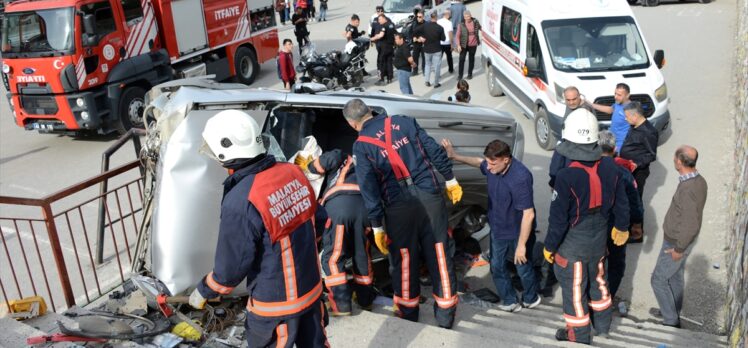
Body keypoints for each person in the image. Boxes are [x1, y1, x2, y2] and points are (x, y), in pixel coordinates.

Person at [189, 110, 328, 347]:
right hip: (312, 292)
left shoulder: (242, 200)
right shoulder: (293, 172)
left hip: (276, 308)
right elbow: (320, 222)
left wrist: (204, 290)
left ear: (226, 150)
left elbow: (230, 269)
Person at [343, 99, 463, 329]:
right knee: (440, 251)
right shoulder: (403, 122)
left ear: (353, 124)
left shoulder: (361, 146)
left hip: (398, 207)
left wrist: (377, 225)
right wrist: (450, 178)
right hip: (430, 196)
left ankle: (409, 314)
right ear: (371, 111)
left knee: (405, 258)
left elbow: (369, 189)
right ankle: (446, 316)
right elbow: (433, 150)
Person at [543, 108, 630, 345]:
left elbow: (558, 220)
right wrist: (622, 226)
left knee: (574, 293)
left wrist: (550, 246)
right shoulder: (612, 167)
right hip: (599, 242)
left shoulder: (565, 176)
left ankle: (579, 337)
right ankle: (602, 327)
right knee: (599, 283)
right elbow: (622, 203)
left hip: (573, 248)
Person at [441, 138, 541, 313]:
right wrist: (455, 156)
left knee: (523, 267)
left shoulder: (521, 177)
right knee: (497, 266)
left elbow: (528, 214)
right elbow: (479, 162)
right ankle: (510, 300)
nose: (488, 167)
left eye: (492, 163)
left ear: (506, 159)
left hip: (518, 231)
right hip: (498, 227)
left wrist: (521, 246)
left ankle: (531, 298)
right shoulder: (491, 167)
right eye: (488, 162)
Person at [297, 149, 376, 316]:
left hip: (339, 209)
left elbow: (324, 162)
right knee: (362, 255)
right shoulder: (372, 165)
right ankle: (365, 300)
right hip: (365, 212)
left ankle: (341, 306)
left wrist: (309, 166)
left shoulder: (343, 156)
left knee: (334, 257)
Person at [650, 145, 707, 329]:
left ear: (680, 162)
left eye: (675, 158)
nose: (674, 160)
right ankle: (672, 310)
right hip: (679, 239)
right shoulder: (698, 180)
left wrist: (679, 249)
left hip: (676, 242)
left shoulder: (688, 188)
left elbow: (691, 223)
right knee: (675, 277)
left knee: (658, 280)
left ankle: (670, 320)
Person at [598, 131, 643, 298]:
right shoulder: (623, 173)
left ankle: (594, 296)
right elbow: (634, 201)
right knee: (616, 263)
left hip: (594, 226)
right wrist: (637, 222)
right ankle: (608, 295)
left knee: (595, 261)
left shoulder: (588, 169)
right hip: (618, 226)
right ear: (614, 149)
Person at [619, 101, 658, 243]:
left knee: (635, 200)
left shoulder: (649, 132)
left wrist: (637, 163)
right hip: (627, 169)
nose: (625, 119)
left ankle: (637, 232)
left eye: (627, 116)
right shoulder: (634, 126)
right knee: (628, 199)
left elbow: (651, 154)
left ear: (635, 115)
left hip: (638, 172)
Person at [590, 83, 631, 152]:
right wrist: (591, 105)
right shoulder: (618, 103)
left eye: (619, 95)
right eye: (615, 94)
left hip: (621, 145)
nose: (615, 97)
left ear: (627, 95)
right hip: (612, 141)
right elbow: (611, 110)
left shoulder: (631, 109)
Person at [415, 12, 445, 88]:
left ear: (430, 17)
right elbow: (443, 39)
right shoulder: (440, 28)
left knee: (427, 65)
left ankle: (427, 81)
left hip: (427, 49)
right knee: (436, 67)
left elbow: (415, 30)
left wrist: (420, 37)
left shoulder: (425, 25)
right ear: (436, 17)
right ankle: (436, 83)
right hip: (437, 49)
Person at [371, 12, 396, 85]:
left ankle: (381, 79)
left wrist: (372, 38)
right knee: (389, 62)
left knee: (382, 63)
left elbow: (381, 35)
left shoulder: (383, 26)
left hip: (384, 47)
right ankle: (389, 78)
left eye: (380, 19)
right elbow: (395, 33)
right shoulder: (391, 24)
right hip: (390, 47)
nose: (379, 21)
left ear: (383, 19)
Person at [455, 10, 480, 80]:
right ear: (464, 17)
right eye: (465, 17)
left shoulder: (475, 21)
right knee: (461, 59)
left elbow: (480, 28)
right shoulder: (461, 24)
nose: (467, 18)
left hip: (473, 44)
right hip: (463, 44)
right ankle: (460, 75)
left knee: (471, 59)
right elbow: (457, 36)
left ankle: (470, 74)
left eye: (468, 16)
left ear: (471, 15)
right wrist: (458, 45)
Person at [407, 9, 427, 76]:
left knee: (424, 58)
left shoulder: (426, 24)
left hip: (424, 44)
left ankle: (424, 70)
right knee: (415, 57)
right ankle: (415, 71)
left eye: (420, 17)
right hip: (416, 44)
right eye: (417, 16)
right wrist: (413, 38)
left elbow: (428, 33)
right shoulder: (414, 23)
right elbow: (410, 32)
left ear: (423, 17)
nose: (418, 18)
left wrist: (423, 38)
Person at [437, 9, 454, 74]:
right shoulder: (449, 23)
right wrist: (452, 44)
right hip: (447, 43)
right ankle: (451, 69)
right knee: (449, 57)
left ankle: (437, 71)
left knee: (439, 58)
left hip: (440, 43)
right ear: (447, 15)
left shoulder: (438, 21)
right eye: (450, 15)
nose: (450, 16)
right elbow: (450, 33)